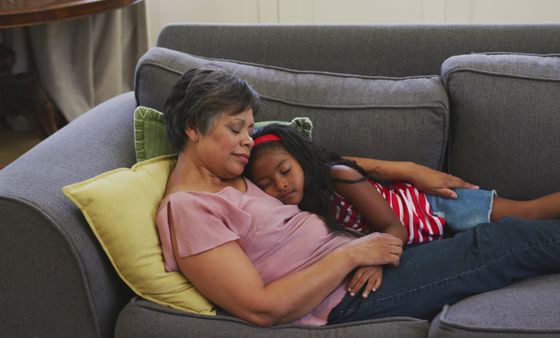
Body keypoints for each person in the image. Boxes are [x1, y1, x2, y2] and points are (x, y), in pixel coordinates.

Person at [155, 66, 560, 327]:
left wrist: (406, 170)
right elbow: (262, 308)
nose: (248, 141)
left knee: (495, 235)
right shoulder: (190, 209)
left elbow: (316, 163)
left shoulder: (231, 173)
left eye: (249, 129)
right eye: (237, 128)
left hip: (367, 262)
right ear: (193, 128)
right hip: (348, 296)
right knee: (498, 243)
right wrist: (352, 254)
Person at [244, 123, 560, 299]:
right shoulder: (292, 210)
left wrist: (377, 260)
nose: (280, 185)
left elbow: (394, 227)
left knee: (528, 213)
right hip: (431, 240)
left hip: (435, 206)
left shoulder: (337, 176)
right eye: (266, 184)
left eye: (285, 170)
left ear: (301, 160)